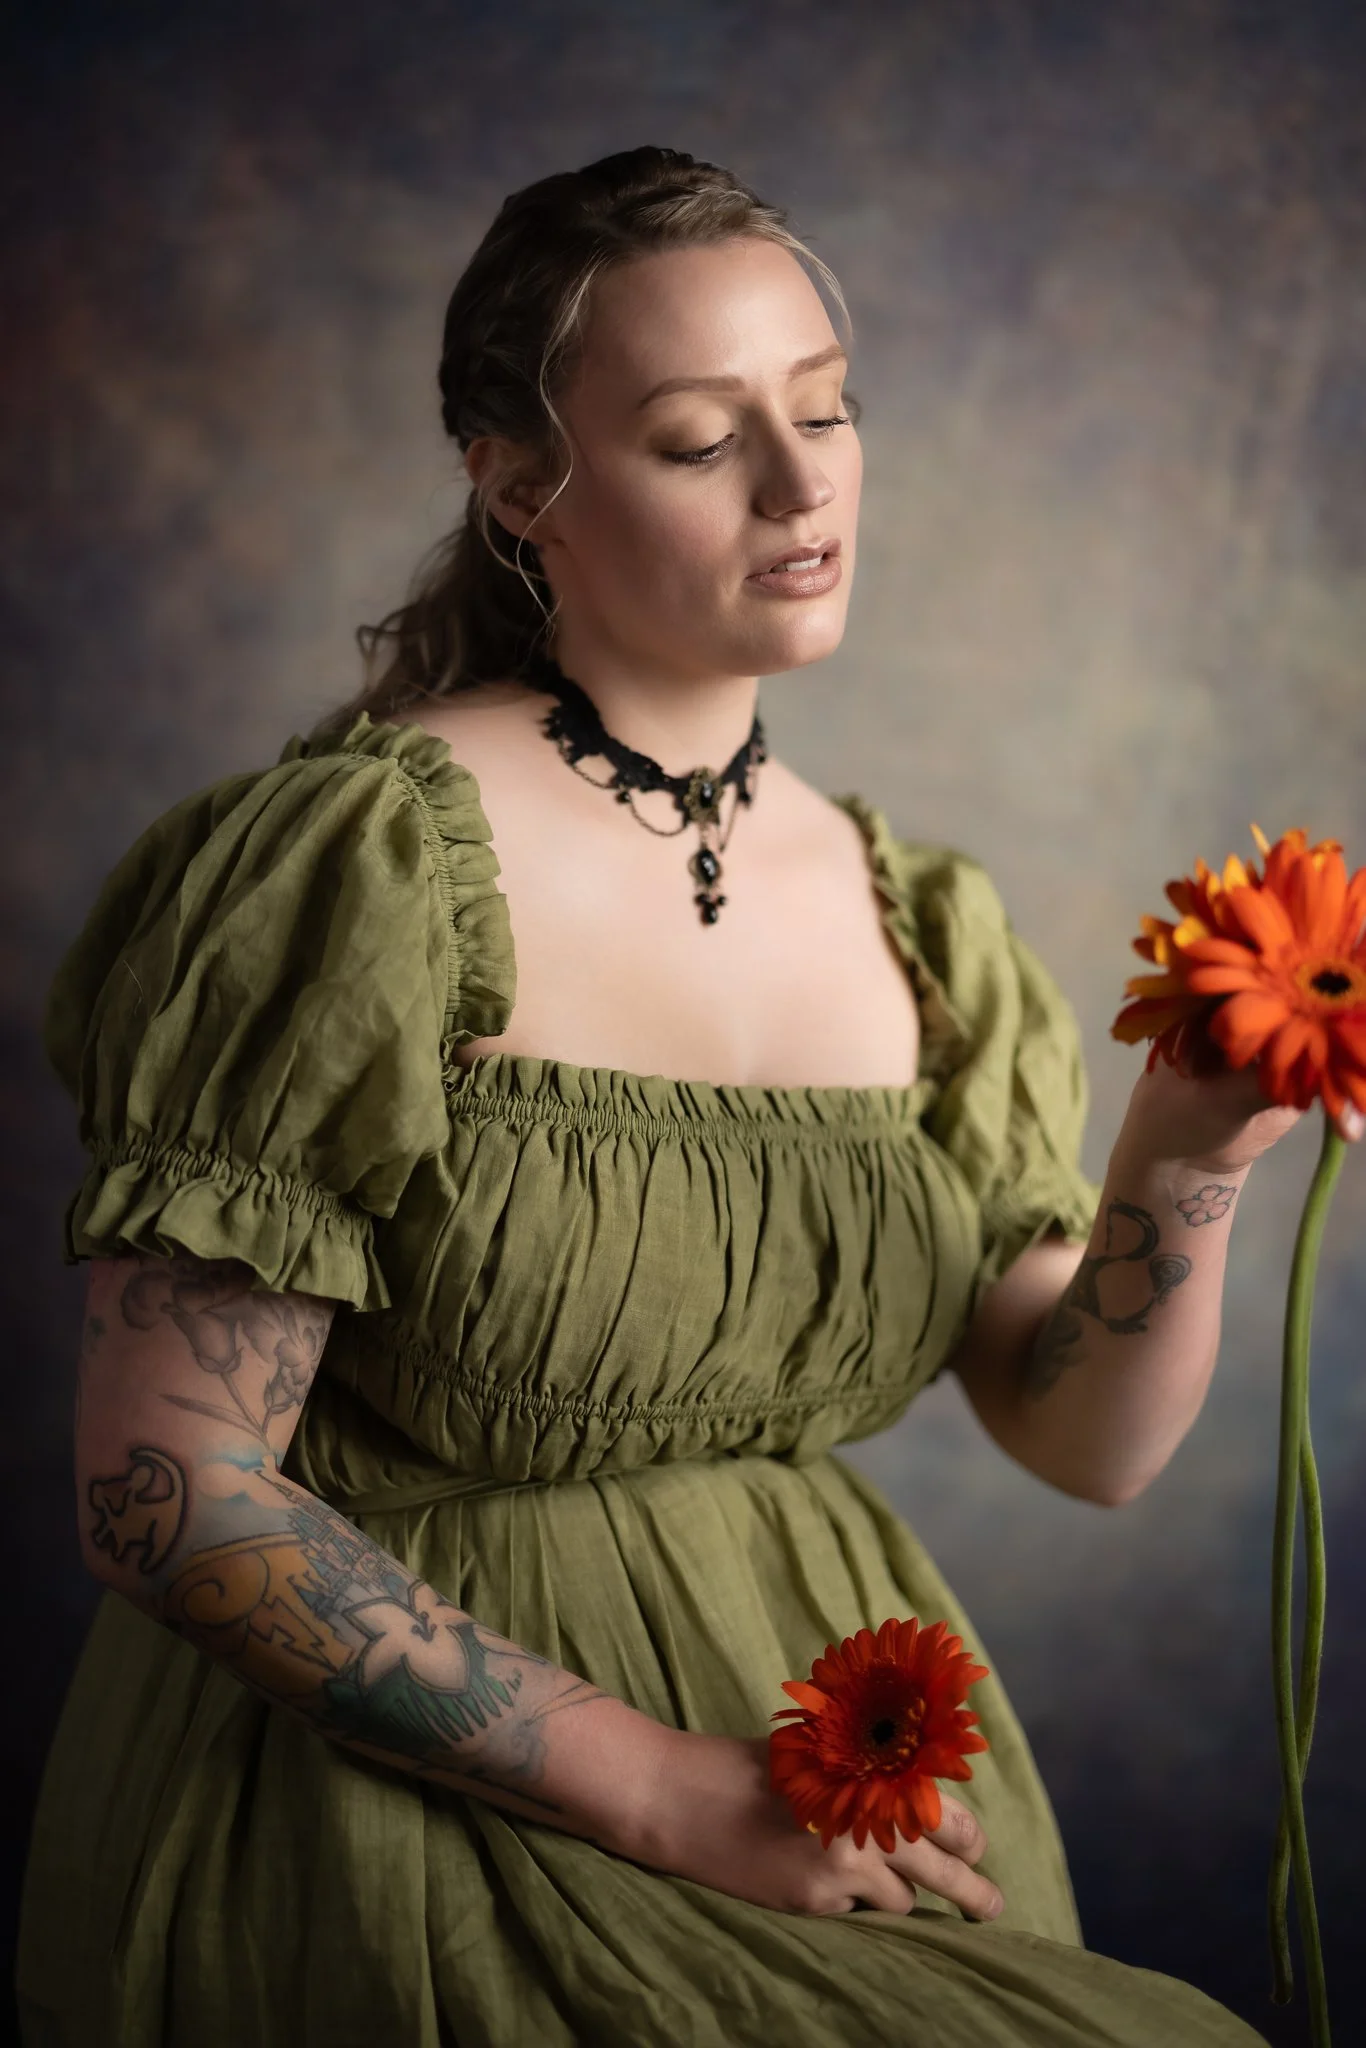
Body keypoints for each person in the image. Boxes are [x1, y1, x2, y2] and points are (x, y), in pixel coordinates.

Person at [20, 143, 1336, 2048]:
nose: (803, 486)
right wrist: (665, 1790)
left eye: (827, 408)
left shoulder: (924, 920)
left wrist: (1184, 1158)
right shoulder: (358, 867)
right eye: (703, 438)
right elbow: (169, 1496)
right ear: (518, 489)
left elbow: (1089, 1441)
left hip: (838, 1780)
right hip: (417, 1804)